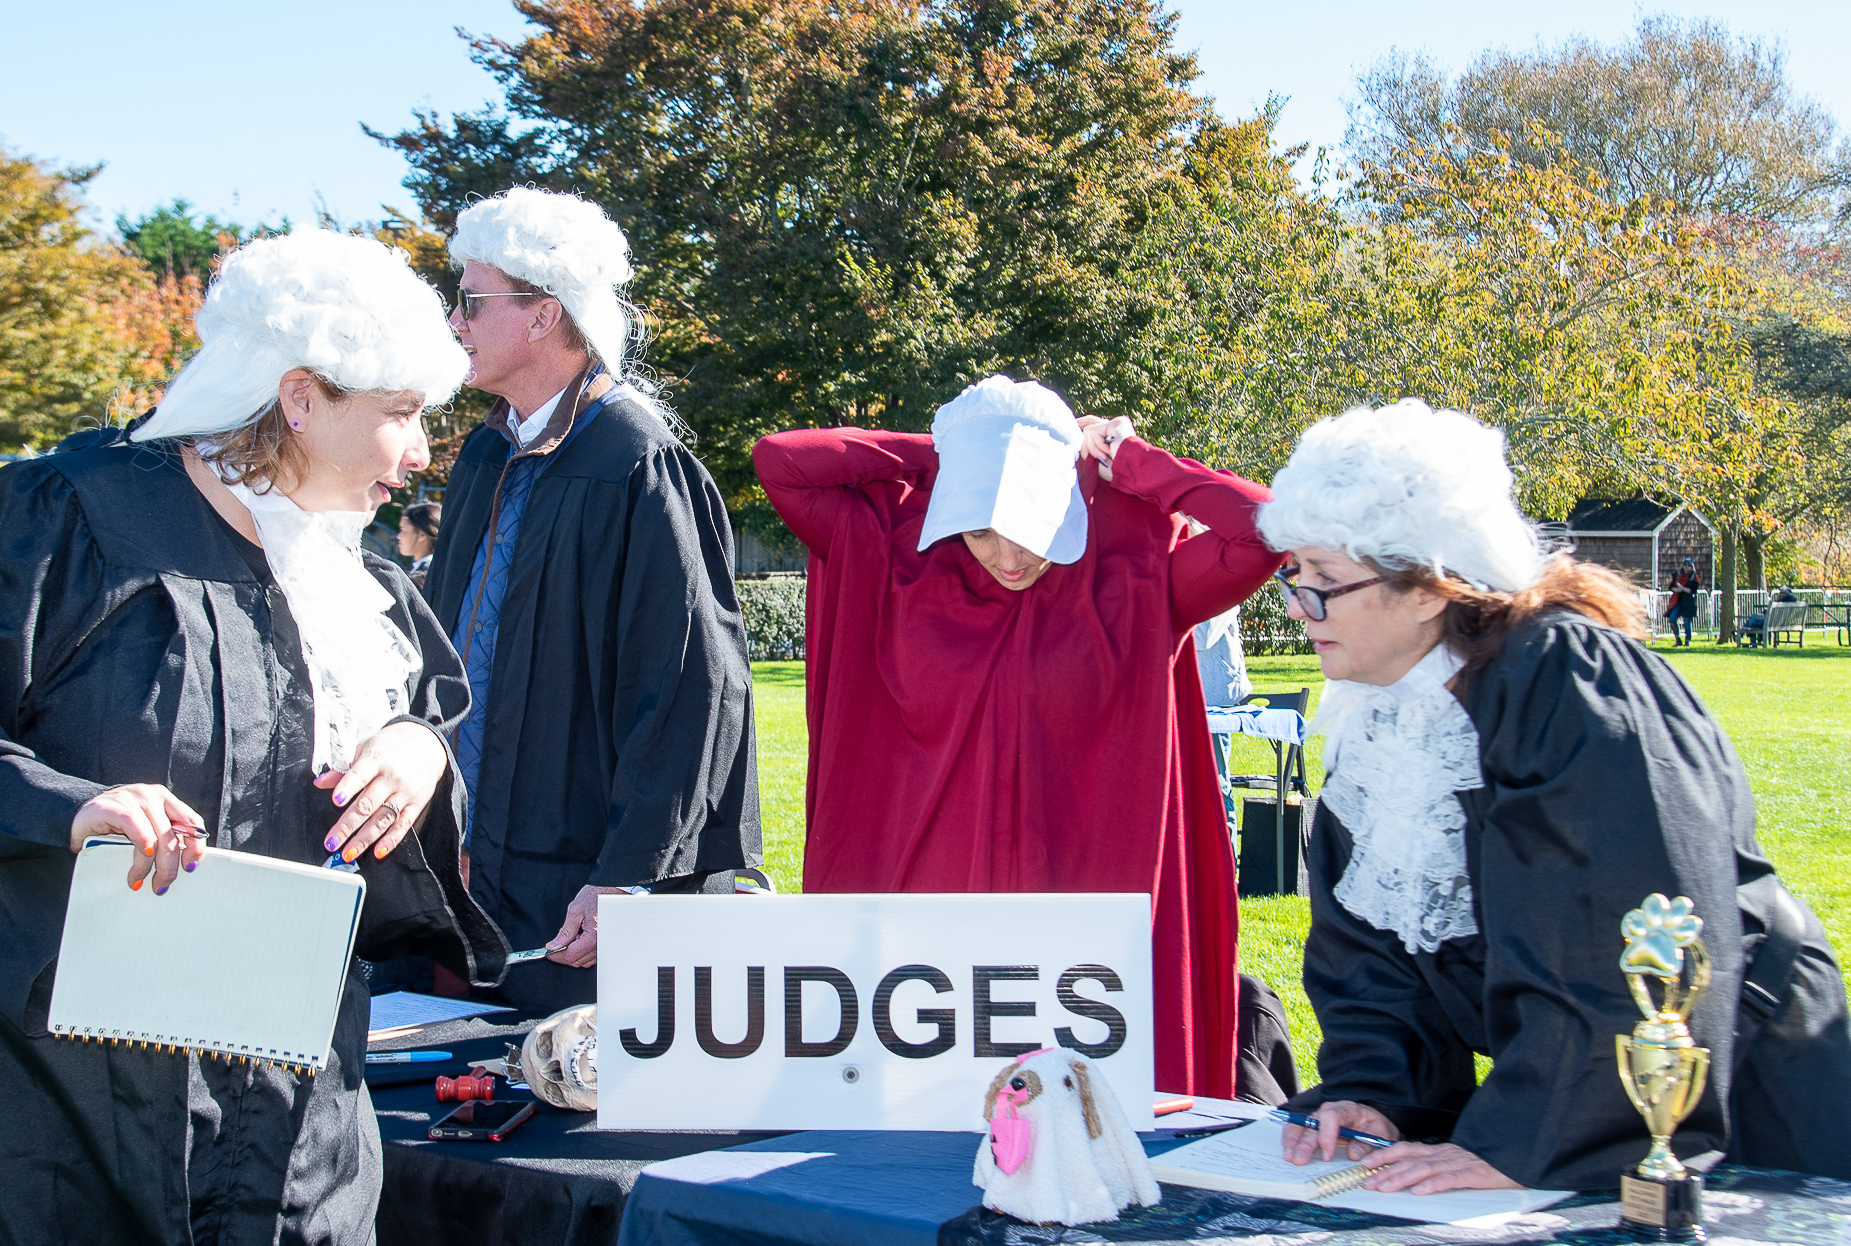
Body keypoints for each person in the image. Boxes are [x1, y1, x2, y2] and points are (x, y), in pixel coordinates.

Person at [0, 229, 507, 1246]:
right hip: (58, 1094)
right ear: (299, 396)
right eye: (399, 410)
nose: (422, 449)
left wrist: (418, 747)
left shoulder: (350, 571)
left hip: (291, 1092)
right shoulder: (58, 520)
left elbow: (421, 703)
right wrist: (69, 808)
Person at [1258, 399, 1851, 1194]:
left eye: (1324, 583)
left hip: (1738, 1091)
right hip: (1565, 1100)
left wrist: (1525, 1141)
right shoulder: (1386, 715)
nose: (1299, 610)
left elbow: (1619, 935)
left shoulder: (1569, 683)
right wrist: (1379, 1094)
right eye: (1295, 579)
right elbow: (1369, 953)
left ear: (1431, 588)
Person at [753, 377, 1280, 1098]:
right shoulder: (896, 551)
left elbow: (1262, 529)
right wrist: (953, 450)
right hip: (922, 931)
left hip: (1084, 942)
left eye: (1026, 527)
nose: (1006, 557)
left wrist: (1125, 456)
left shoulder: (1131, 566)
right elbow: (780, 459)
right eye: (979, 528)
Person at [427, 187, 760, 1013]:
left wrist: (628, 876)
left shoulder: (635, 461)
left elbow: (690, 686)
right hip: (471, 869)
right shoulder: (484, 455)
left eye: (471, 302)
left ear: (544, 315)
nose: (455, 323)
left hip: (577, 882)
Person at [1193, 605, 1251, 847]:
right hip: (1182, 696)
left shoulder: (1223, 592)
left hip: (1215, 699)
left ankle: (1227, 864)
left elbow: (1203, 636)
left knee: (1216, 785)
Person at [398, 500, 439, 590]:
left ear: (422, 535)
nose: (399, 536)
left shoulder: (426, 575)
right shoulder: (429, 569)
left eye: (403, 530)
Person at [1664, 558, 1700, 646]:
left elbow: (1693, 590)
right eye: (1685, 565)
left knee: (1687, 622)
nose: (1686, 567)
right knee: (1672, 619)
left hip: (1688, 602)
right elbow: (1671, 587)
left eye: (1688, 565)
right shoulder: (1677, 575)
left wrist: (1683, 589)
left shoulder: (1694, 577)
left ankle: (1687, 641)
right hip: (1677, 601)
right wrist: (1676, 589)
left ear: (1691, 567)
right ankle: (1677, 639)